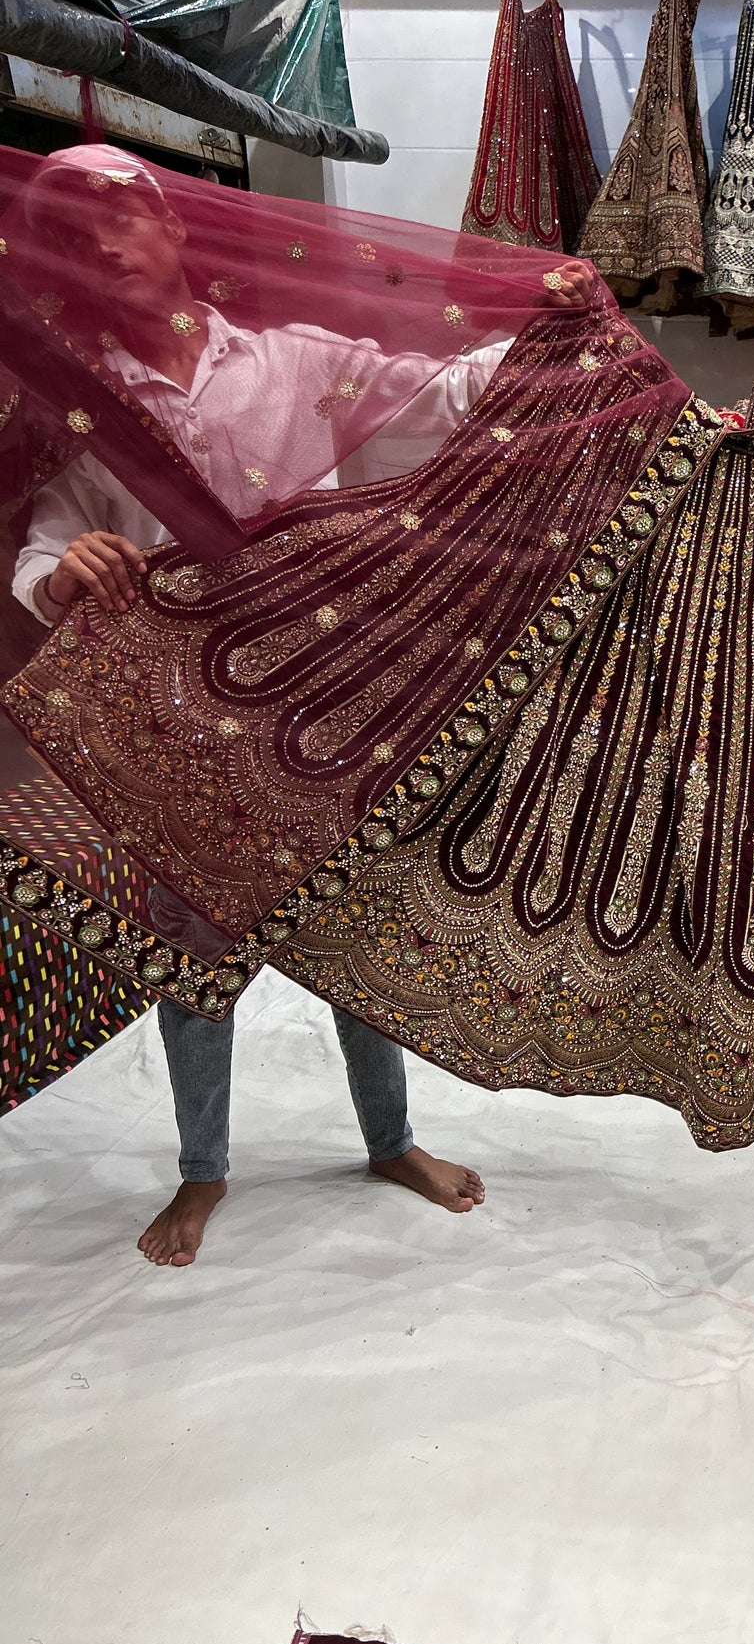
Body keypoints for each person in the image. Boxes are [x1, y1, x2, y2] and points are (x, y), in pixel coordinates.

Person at [11, 143, 590, 1269]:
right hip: (179, 723)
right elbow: (44, 543)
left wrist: (550, 327)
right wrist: (61, 569)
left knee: (354, 927)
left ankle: (391, 1140)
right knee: (193, 951)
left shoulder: (292, 362)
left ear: (176, 227)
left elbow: (446, 393)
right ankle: (203, 1168)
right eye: (76, 235)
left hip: (324, 705)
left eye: (122, 216)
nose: (105, 245)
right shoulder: (87, 411)